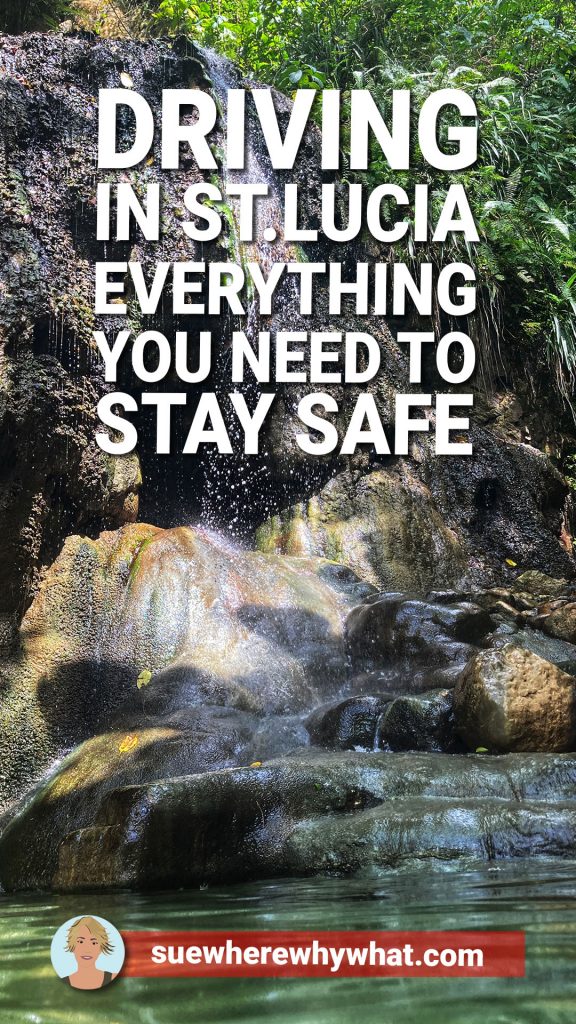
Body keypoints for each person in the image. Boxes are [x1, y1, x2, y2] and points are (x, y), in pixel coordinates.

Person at [63, 916, 118, 989]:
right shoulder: (62, 982)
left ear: (101, 948)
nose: (87, 949)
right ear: (72, 946)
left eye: (94, 943)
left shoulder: (114, 978)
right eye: (81, 942)